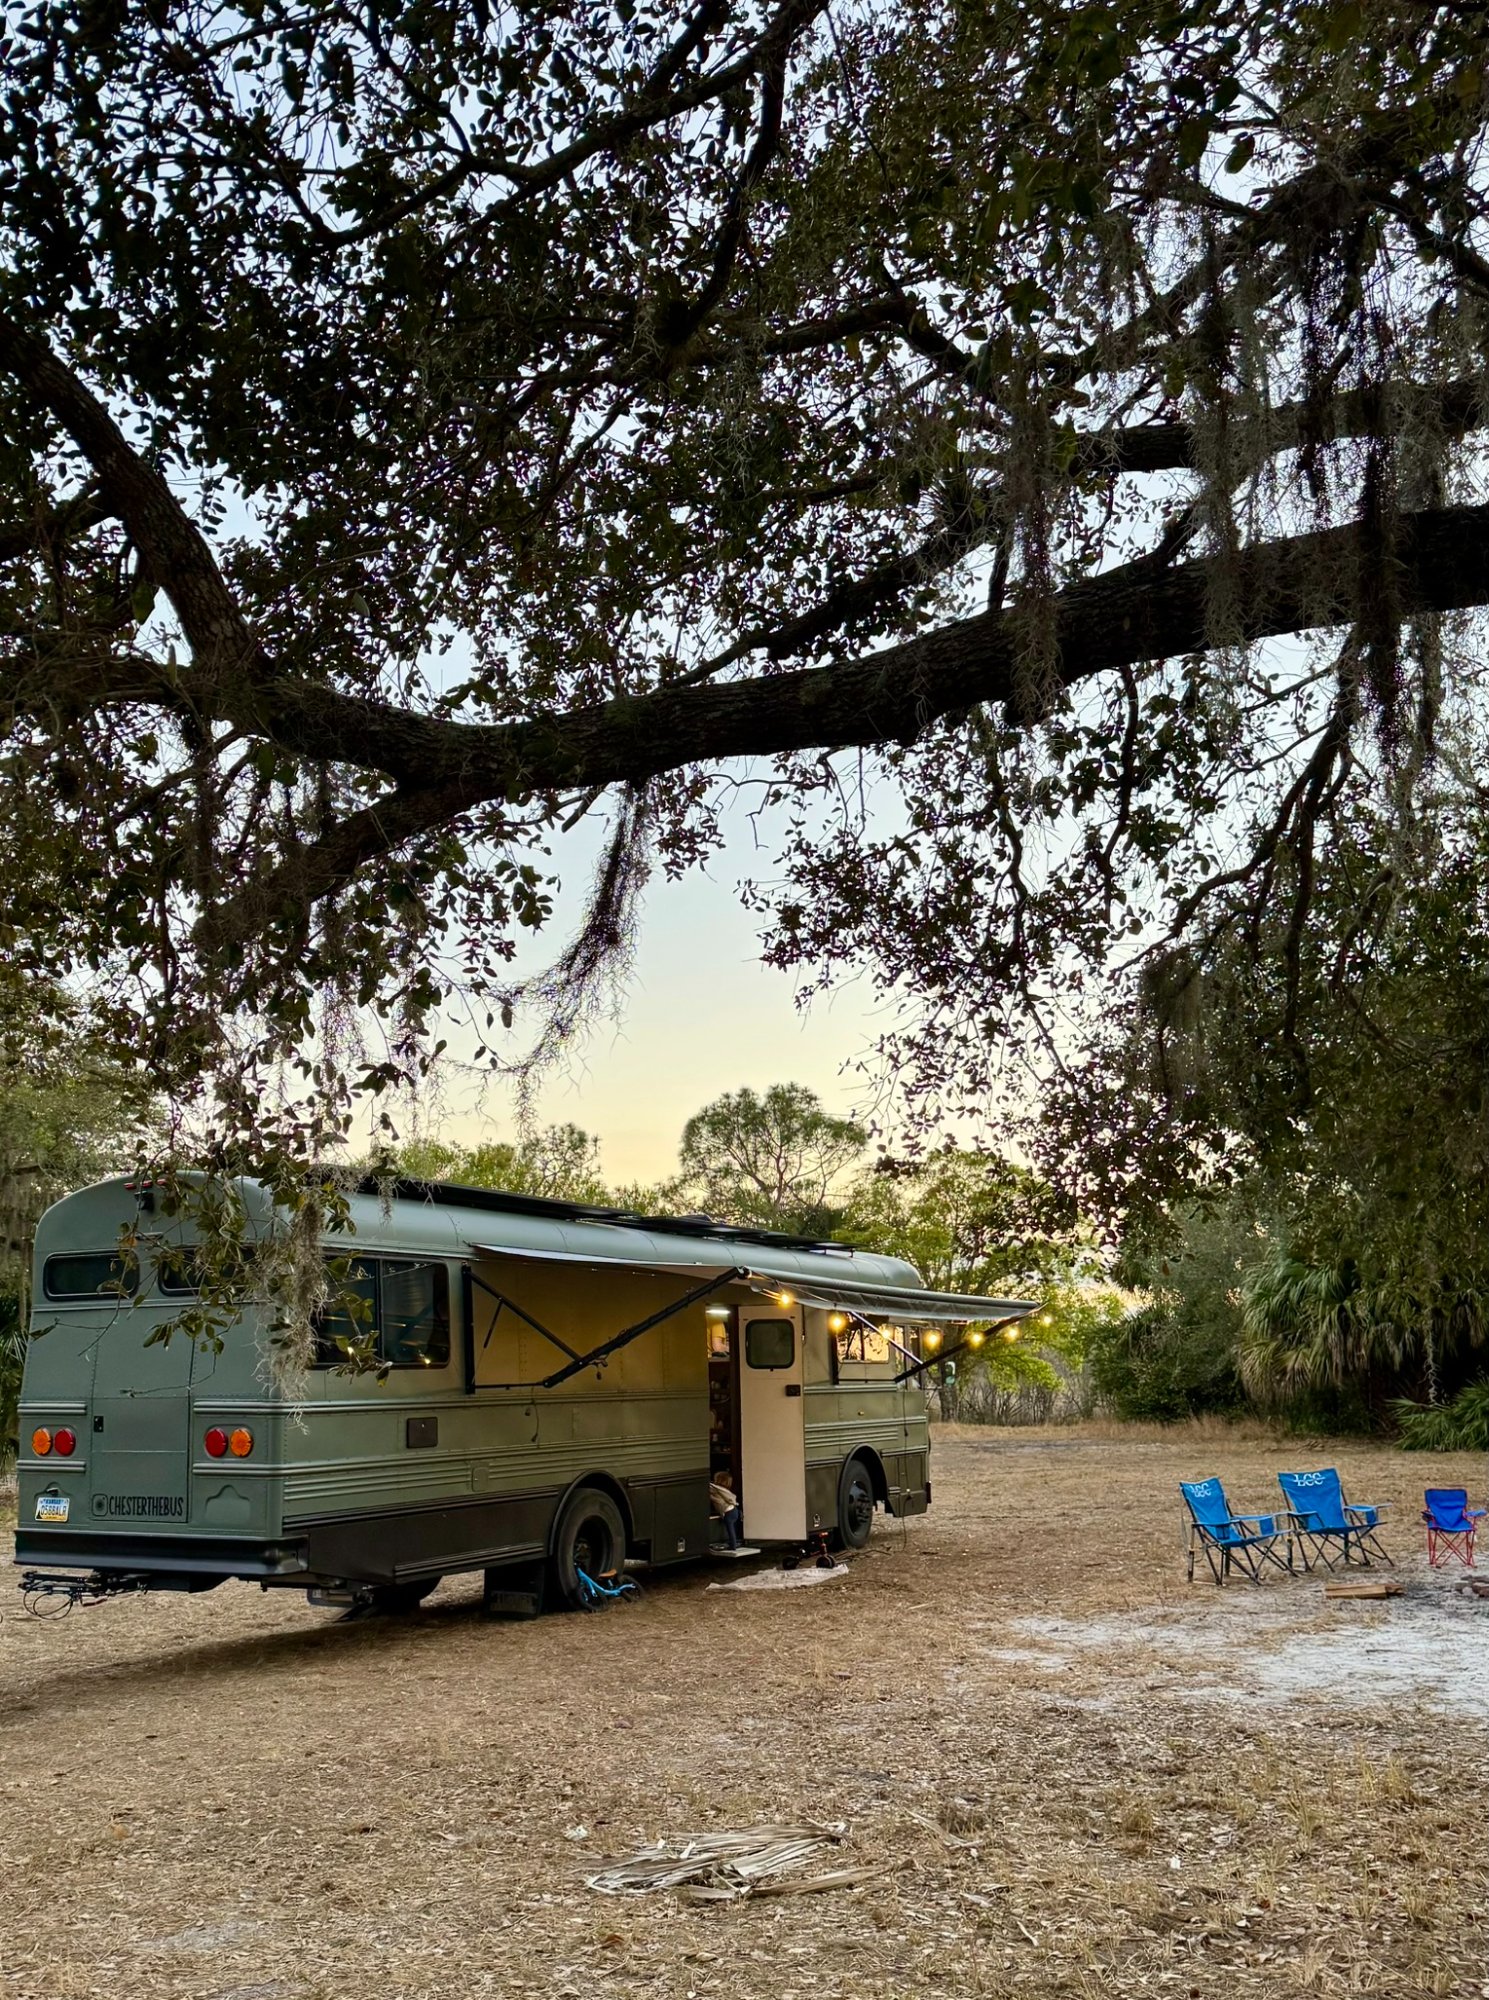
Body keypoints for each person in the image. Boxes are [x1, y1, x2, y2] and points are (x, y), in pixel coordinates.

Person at [710, 1471, 743, 1550]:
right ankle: (735, 1541)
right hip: (733, 1510)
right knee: (732, 1528)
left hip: (729, 1512)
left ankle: (733, 1545)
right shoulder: (722, 1489)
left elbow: (709, 1487)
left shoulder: (717, 1489)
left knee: (730, 1529)